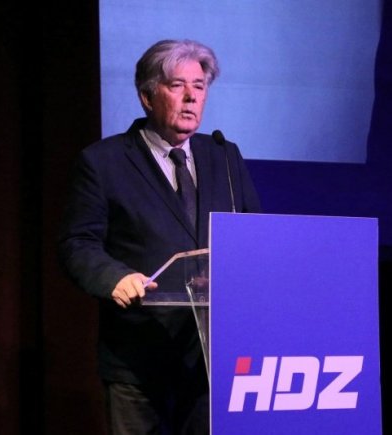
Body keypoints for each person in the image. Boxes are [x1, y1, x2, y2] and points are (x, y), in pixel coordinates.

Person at [58, 39, 262, 434]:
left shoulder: (224, 155)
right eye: (177, 85)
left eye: (199, 86)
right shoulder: (103, 162)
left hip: (210, 358)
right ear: (147, 97)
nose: (191, 97)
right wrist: (114, 277)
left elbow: (254, 236)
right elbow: (76, 243)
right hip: (138, 355)